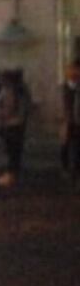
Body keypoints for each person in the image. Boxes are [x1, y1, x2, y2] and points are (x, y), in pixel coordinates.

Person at [0, 70, 31, 188]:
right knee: (15, 152)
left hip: (11, 124)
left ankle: (11, 176)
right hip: (18, 124)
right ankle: (13, 175)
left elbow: (9, 108)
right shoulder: (21, 90)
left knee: (12, 152)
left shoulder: (10, 91)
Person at [60, 60, 80, 189]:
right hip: (69, 122)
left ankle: (75, 175)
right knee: (66, 147)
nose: (73, 72)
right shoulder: (66, 87)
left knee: (77, 150)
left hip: (77, 122)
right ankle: (69, 171)